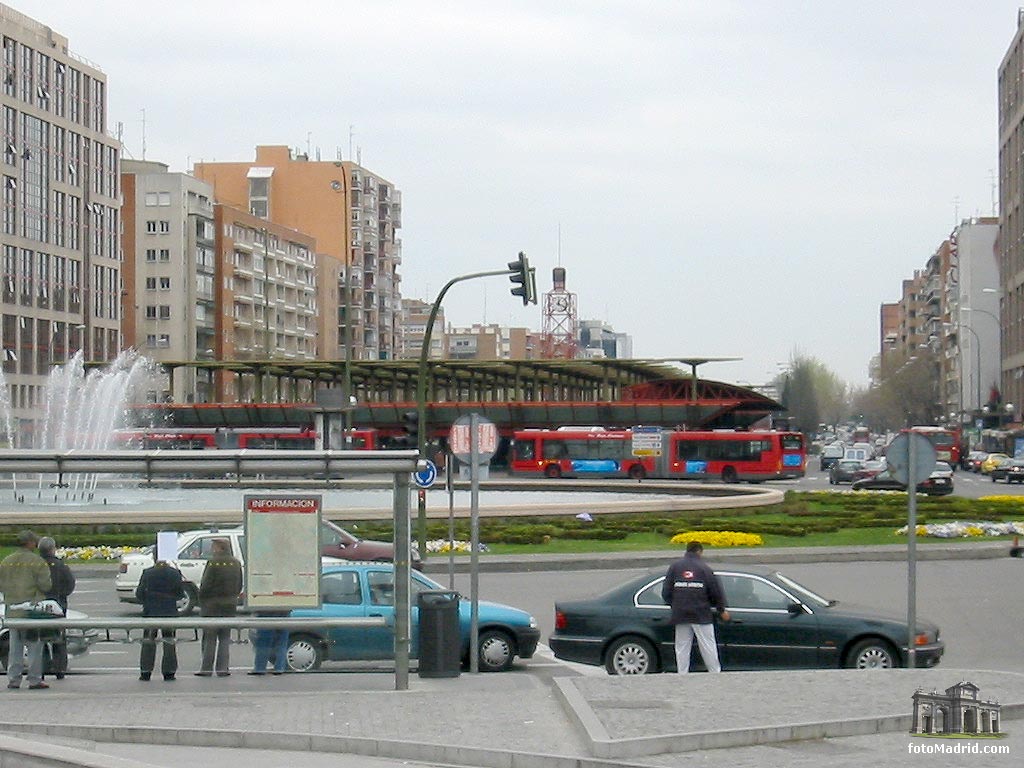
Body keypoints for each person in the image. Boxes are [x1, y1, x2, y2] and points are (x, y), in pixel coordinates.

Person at [661, 541, 729, 673]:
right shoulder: (705, 568)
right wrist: (721, 609)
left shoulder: (675, 567)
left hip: (680, 614)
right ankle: (715, 673)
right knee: (708, 646)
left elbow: (666, 593)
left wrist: (675, 605)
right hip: (701, 614)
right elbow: (715, 592)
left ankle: (683, 673)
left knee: (682, 647)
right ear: (699, 551)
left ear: (687, 551)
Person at [0, 530, 52, 690]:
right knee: (35, 646)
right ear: (30, 543)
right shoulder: (37, 562)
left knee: (15, 647)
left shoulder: (6, 561)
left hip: (12, 610)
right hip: (31, 611)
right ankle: (34, 679)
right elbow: (46, 586)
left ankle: (14, 679)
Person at [196, 538, 242, 677]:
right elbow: (239, 584)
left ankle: (206, 668)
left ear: (220, 548)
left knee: (209, 638)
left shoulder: (213, 563)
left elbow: (206, 584)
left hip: (212, 605)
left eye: (214, 546)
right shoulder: (236, 563)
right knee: (224, 639)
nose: (212, 549)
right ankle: (223, 669)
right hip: (229, 605)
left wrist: (201, 599)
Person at [136, 557, 186, 681]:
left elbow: (139, 593)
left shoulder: (148, 572)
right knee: (169, 641)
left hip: (151, 612)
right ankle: (169, 672)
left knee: (148, 641)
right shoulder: (175, 573)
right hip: (169, 611)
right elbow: (180, 594)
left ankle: (146, 671)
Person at [37, 537, 76, 680]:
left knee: (40, 639)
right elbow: (70, 584)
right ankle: (60, 669)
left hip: (39, 607)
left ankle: (42, 668)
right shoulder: (60, 566)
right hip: (58, 606)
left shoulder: (35, 565)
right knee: (59, 639)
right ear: (53, 549)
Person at [249, 610, 290, 676]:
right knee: (281, 641)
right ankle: (279, 668)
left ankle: (260, 668)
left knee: (264, 640)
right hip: (284, 610)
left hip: (266, 611)